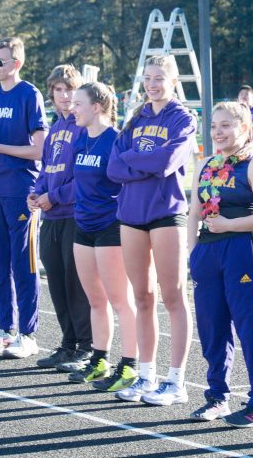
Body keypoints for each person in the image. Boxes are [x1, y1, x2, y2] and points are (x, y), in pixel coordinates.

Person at [107, 55, 197, 406]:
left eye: (160, 77)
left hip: (166, 213)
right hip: (131, 214)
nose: (152, 84)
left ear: (174, 81)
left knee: (173, 296)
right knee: (142, 297)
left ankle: (176, 381)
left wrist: (132, 160)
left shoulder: (183, 118)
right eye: (148, 78)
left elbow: (167, 162)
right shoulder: (135, 118)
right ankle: (147, 376)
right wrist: (138, 162)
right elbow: (113, 168)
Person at [187, 102, 253, 426]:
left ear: (244, 128)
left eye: (226, 125)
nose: (218, 132)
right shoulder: (205, 164)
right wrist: (192, 253)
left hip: (245, 250)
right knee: (212, 328)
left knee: (251, 328)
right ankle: (217, 397)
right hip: (209, 253)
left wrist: (229, 226)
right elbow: (194, 212)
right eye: (214, 126)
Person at [60, 82, 139, 391]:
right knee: (95, 299)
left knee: (121, 300)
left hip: (110, 227)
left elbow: (126, 184)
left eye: (78, 103)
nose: (71, 107)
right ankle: (99, 359)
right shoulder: (81, 140)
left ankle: (130, 365)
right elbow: (78, 185)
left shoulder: (115, 140)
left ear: (96, 107)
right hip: (83, 225)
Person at [0, 37, 48, 358]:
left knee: (23, 263)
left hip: (21, 190)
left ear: (15, 64)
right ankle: (6, 330)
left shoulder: (29, 94)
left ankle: (28, 335)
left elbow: (40, 149)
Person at [33, 65, 93, 371]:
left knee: (76, 283)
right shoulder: (55, 129)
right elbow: (46, 170)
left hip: (74, 215)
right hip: (50, 217)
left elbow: (83, 176)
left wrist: (53, 196)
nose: (65, 95)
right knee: (56, 281)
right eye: (59, 90)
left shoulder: (84, 126)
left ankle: (86, 347)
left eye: (70, 89)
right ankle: (68, 344)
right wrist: (36, 192)